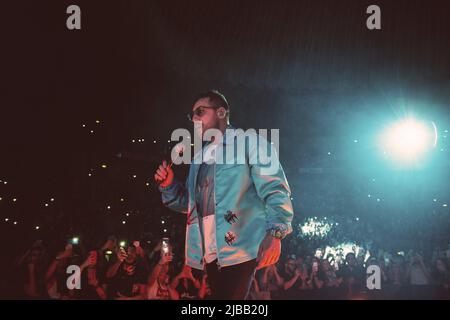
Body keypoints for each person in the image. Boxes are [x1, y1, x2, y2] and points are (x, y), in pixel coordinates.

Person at [154, 90, 294, 299]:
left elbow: (275, 189)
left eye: (200, 111)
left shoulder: (250, 142)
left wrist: (275, 233)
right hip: (211, 253)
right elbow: (191, 205)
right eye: (192, 114)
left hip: (242, 247)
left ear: (221, 112)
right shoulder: (199, 158)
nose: (194, 119)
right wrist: (169, 185)